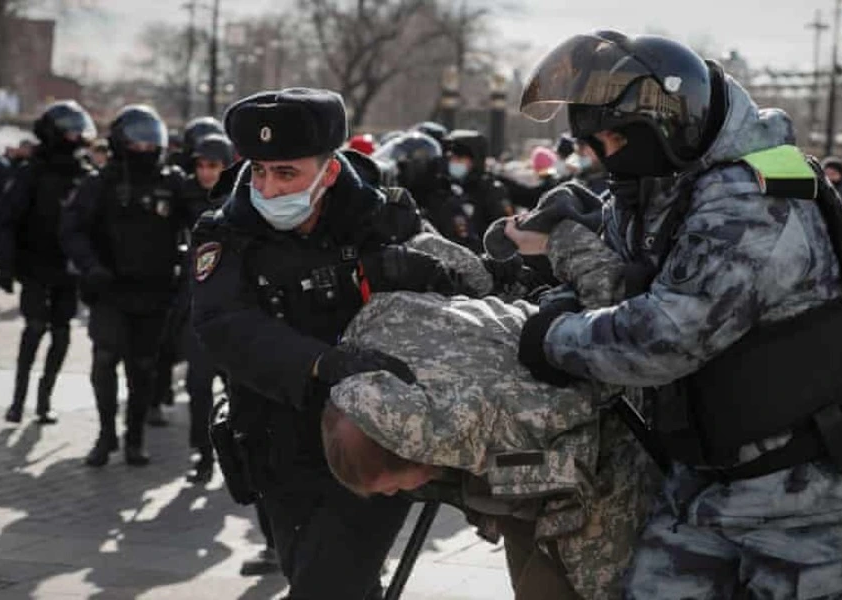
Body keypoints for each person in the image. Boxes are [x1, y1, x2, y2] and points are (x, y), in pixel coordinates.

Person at [507, 30, 842, 598]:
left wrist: (554, 338)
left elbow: (668, 336)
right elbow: (631, 264)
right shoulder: (674, 184)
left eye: (615, 138)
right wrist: (575, 231)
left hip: (801, 500)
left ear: (669, 122)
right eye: (597, 144)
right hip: (706, 482)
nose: (605, 157)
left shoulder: (755, 197)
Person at [190, 87, 468, 600]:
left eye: (287, 173)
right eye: (258, 171)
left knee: (326, 586)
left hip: (371, 442)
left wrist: (426, 272)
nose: (268, 188)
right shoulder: (226, 230)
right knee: (322, 576)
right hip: (279, 445)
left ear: (330, 171)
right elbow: (221, 322)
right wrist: (322, 362)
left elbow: (461, 288)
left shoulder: (382, 217)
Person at [319, 212, 658, 600]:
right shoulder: (374, 352)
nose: (396, 495)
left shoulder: (509, 418)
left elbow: (610, 345)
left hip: (603, 474)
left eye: (394, 484)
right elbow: (432, 252)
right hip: (537, 475)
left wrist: (561, 239)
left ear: (408, 450)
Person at [61, 104, 192, 467]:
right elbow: (72, 230)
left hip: (154, 293)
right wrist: (90, 266)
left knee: (143, 367)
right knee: (104, 360)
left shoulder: (172, 183)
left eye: (152, 141)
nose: (146, 148)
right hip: (110, 291)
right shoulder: (100, 183)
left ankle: (135, 438)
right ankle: (106, 435)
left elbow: (204, 223)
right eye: (137, 141)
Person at [0, 100, 96, 424]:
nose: (76, 135)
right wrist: (7, 267)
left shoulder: (85, 175)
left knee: (62, 333)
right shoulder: (32, 172)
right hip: (35, 265)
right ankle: (18, 400)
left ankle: (44, 400)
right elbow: (6, 220)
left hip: (68, 269)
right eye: (70, 129)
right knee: (35, 328)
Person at [178, 133, 236, 483]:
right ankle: (202, 453)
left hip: (235, 315)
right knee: (198, 386)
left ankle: (237, 454)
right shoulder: (187, 195)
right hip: (198, 312)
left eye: (212, 165)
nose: (205, 173)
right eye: (200, 166)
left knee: (237, 392)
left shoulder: (244, 204)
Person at [444, 128, 515, 231]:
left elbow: (506, 230)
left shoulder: (492, 191)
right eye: (451, 158)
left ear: (475, 160)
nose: (454, 163)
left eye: (459, 159)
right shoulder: (447, 188)